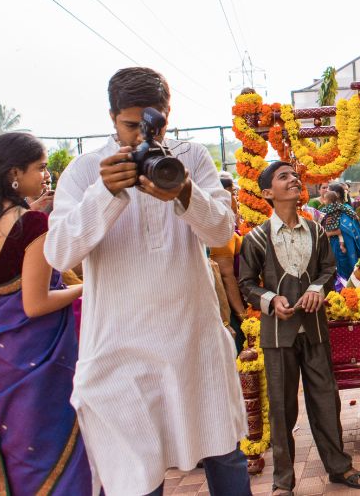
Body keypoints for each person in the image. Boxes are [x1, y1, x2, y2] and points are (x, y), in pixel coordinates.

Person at [45, 67, 250, 496]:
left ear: (168, 114)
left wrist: (185, 193)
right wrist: (105, 194)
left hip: (192, 342)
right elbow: (60, 253)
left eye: (153, 124)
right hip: (119, 351)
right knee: (134, 478)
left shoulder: (189, 158)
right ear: (111, 117)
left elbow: (220, 234)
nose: (141, 136)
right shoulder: (85, 171)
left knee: (224, 457)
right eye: (130, 125)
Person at [0, 133, 89, 494]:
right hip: (36, 353)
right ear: (14, 173)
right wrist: (88, 288)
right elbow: (35, 303)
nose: (46, 175)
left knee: (15, 453)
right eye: (40, 168)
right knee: (52, 449)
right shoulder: (33, 226)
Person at [239, 161, 360, 494]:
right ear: (268, 193)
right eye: (284, 177)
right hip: (277, 335)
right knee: (281, 407)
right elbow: (246, 284)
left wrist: (317, 289)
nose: (294, 179)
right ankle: (283, 481)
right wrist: (270, 299)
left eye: (295, 176)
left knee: (327, 399)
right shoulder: (255, 238)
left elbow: (329, 271)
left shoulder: (315, 230)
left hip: (314, 330)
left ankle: (339, 467)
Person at [211, 172, 247, 350]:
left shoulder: (230, 227)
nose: (236, 197)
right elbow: (226, 275)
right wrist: (242, 314)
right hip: (230, 307)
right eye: (233, 192)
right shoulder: (220, 232)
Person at [322, 182, 360, 281]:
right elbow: (320, 228)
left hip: (345, 249)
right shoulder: (326, 210)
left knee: (345, 276)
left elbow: (349, 230)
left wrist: (333, 232)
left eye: (328, 191)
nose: (326, 193)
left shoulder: (346, 209)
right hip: (331, 247)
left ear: (337, 194)